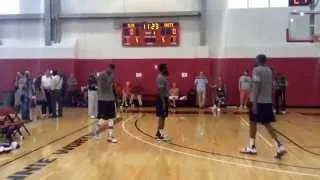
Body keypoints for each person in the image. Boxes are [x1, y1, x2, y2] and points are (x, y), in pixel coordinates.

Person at [241, 54, 286, 159]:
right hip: (267, 101)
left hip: (258, 101)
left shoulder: (256, 70)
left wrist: (254, 102)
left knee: (253, 122)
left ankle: (252, 147)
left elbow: (256, 86)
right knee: (266, 124)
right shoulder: (269, 71)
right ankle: (279, 146)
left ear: (257, 60)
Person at [95, 64, 118, 143]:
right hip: (103, 100)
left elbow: (112, 87)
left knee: (111, 118)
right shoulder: (102, 75)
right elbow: (103, 88)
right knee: (104, 118)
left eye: (112, 69)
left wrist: (115, 96)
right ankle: (97, 132)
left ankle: (110, 137)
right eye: (110, 69)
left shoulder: (112, 75)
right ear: (107, 68)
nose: (111, 71)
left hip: (110, 99)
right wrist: (110, 80)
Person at [155, 64, 170, 141]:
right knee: (161, 117)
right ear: (163, 69)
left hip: (164, 98)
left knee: (163, 117)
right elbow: (160, 91)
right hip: (161, 99)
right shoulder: (160, 78)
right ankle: (160, 135)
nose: (167, 69)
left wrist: (167, 100)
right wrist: (164, 102)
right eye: (166, 68)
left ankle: (158, 133)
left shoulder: (163, 77)